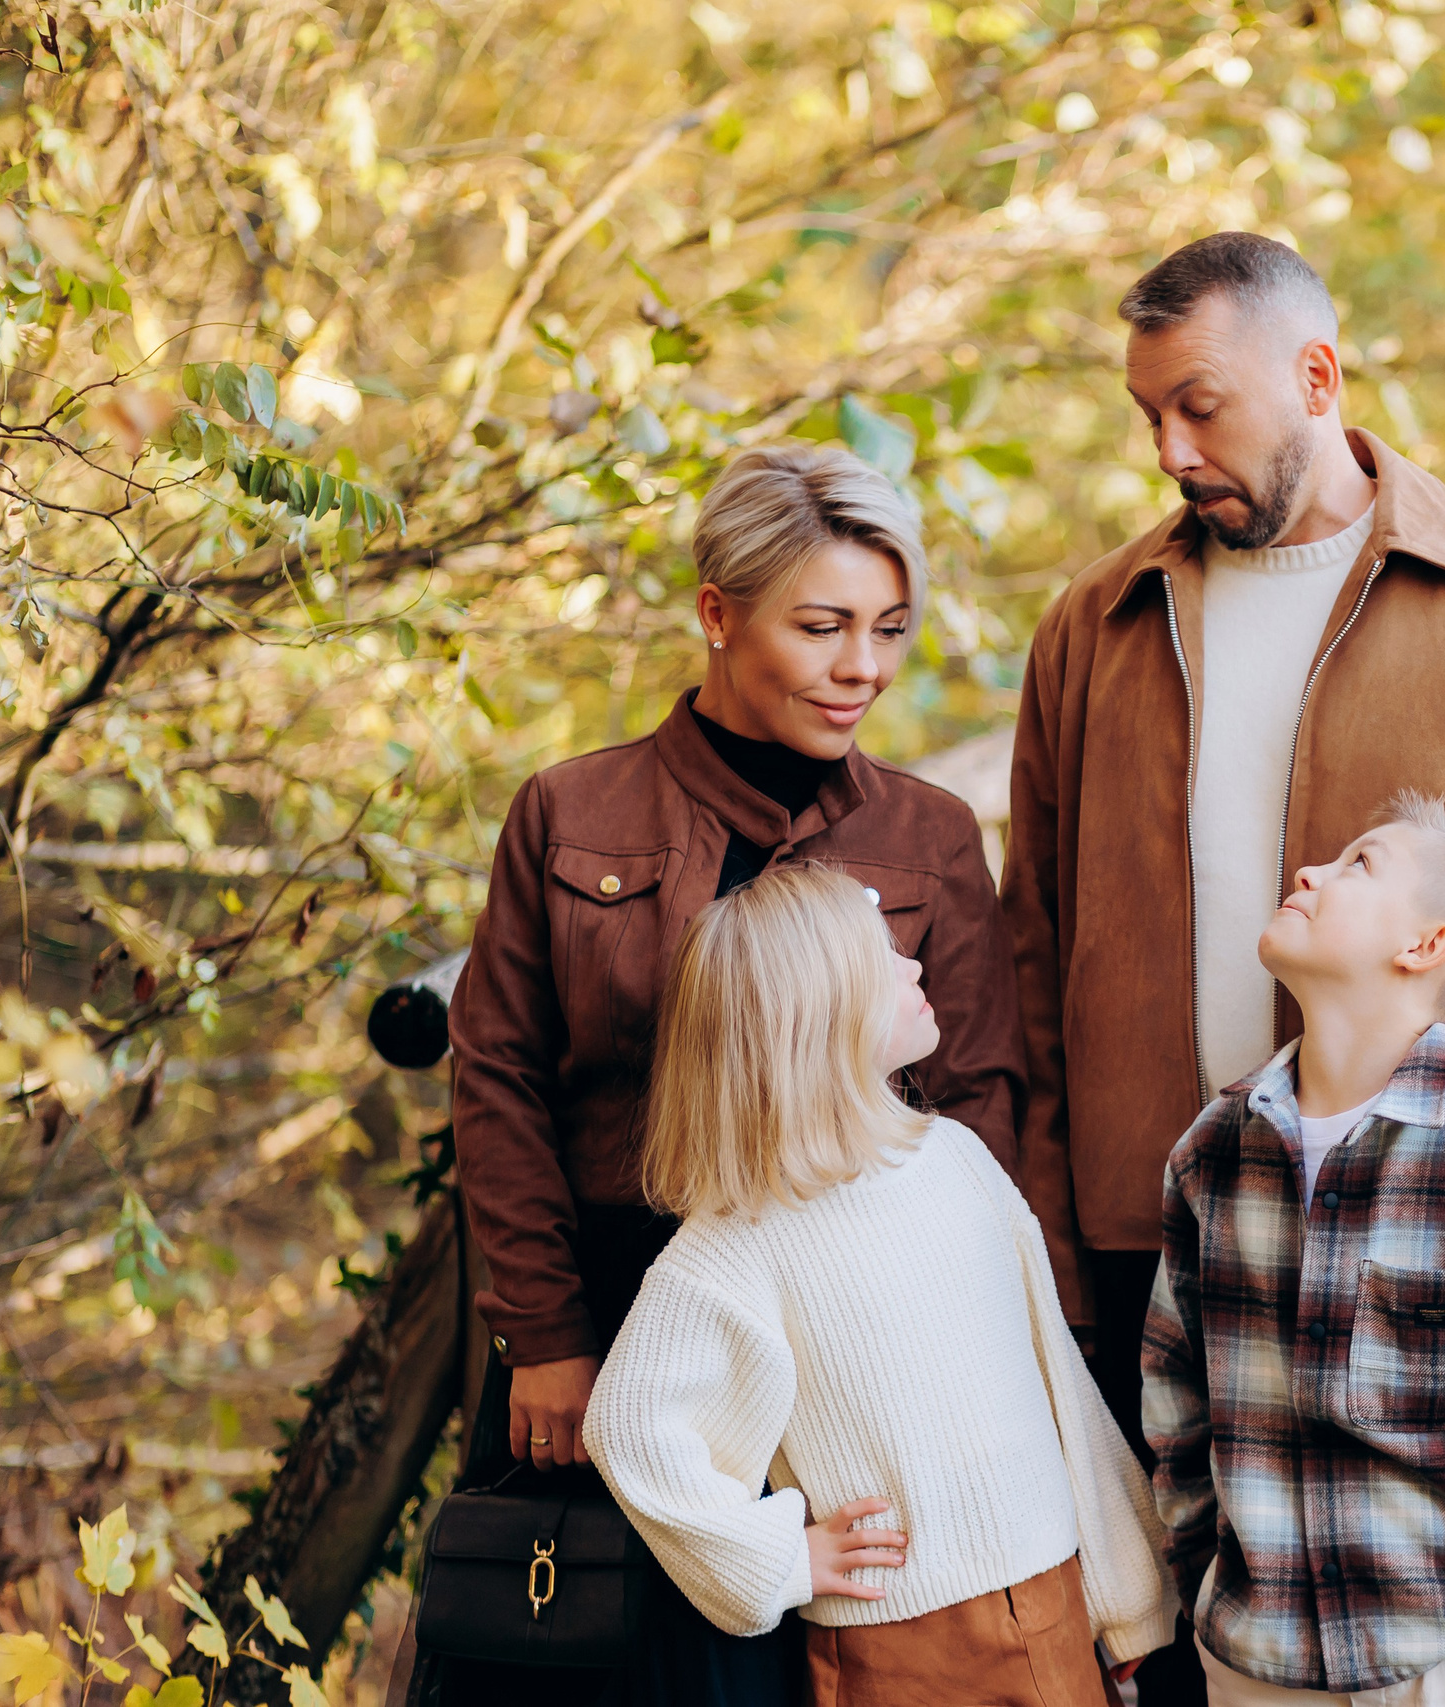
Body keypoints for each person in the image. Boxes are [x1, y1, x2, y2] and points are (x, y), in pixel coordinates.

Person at [1002, 231, 1445, 1704]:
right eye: (1148, 417)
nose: (1172, 450)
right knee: (1186, 1659)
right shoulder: (1092, 630)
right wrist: (1049, 1242)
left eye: (1201, 406)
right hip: (1164, 1250)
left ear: (1317, 376)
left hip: (1427, 1242)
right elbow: (1032, 964)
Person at [447, 443, 1024, 1698]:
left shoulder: (927, 835)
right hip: (601, 1309)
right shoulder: (567, 812)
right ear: (717, 613)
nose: (861, 666)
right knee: (570, 1657)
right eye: (821, 626)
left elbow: (977, 1101)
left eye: (887, 627)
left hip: (840, 1340)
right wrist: (543, 1330)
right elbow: (497, 1081)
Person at [585, 864, 1175, 1706]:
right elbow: (630, 1425)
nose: (915, 968)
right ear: (819, 1015)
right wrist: (781, 1558)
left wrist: (1128, 1604)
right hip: (898, 1653)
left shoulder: (958, 1159)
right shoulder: (737, 1240)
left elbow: (1060, 1390)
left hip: (1057, 1606)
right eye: (886, 958)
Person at [1143, 795, 1445, 1706]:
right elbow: (1176, 1393)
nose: (1310, 872)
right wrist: (1198, 1577)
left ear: (1426, 946)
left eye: (1357, 865)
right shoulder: (1211, 1153)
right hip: (1263, 1656)